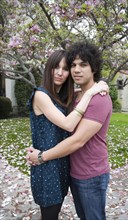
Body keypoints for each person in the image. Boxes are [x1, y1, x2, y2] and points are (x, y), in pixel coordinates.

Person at [27, 42, 112, 220]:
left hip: (90, 173)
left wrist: (42, 156)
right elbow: (64, 124)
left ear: (94, 68)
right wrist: (93, 89)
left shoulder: (98, 99)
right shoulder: (72, 96)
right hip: (64, 168)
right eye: (73, 65)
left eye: (83, 65)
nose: (75, 70)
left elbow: (77, 140)